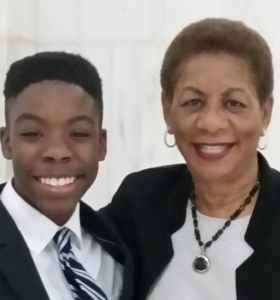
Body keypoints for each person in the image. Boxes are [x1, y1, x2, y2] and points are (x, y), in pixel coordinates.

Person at [101, 18, 280, 300]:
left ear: (265, 113)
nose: (210, 123)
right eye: (193, 102)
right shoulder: (140, 202)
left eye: (233, 103)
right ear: (167, 110)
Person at [0, 51, 134, 300]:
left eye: (79, 134)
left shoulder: (120, 250)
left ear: (101, 144)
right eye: (32, 133)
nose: (57, 152)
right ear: (6, 143)